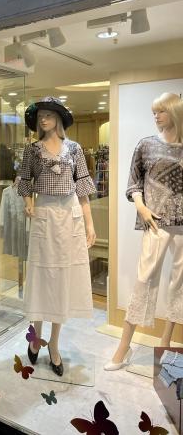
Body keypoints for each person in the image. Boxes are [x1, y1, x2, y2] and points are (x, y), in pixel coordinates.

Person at [18, 96, 96, 376]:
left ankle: (54, 343)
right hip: (45, 213)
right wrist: (28, 201)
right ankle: (37, 335)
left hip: (70, 215)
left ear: (59, 118)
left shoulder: (74, 149)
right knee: (42, 276)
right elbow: (24, 180)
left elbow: (83, 189)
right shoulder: (32, 150)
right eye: (41, 115)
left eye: (49, 114)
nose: (44, 119)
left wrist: (90, 224)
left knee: (63, 278)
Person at [105, 92, 183, 371]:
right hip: (155, 221)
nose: (156, 116)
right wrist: (141, 207)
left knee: (179, 283)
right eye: (154, 111)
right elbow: (134, 183)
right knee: (144, 280)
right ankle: (123, 346)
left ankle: (166, 342)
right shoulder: (146, 145)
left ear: (174, 113)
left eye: (161, 111)